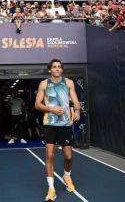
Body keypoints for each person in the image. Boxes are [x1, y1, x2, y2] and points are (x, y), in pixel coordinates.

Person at [35, 59, 81, 202]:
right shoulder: (44, 84)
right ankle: (51, 188)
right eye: (54, 67)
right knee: (49, 155)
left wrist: (77, 111)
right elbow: (37, 105)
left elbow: (76, 101)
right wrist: (51, 109)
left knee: (68, 156)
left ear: (61, 70)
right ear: (50, 70)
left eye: (59, 67)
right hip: (50, 123)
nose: (57, 69)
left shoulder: (69, 83)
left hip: (65, 124)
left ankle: (67, 176)